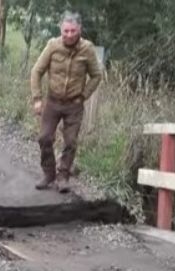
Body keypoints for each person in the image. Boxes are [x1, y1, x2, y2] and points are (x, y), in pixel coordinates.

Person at [30, 11, 103, 193]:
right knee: (44, 138)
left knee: (70, 142)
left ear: (79, 30)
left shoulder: (87, 49)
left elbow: (96, 75)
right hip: (53, 102)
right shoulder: (52, 46)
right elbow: (36, 71)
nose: (69, 35)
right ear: (61, 30)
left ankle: (63, 176)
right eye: (66, 31)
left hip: (74, 105)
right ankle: (49, 174)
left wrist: (84, 95)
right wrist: (37, 98)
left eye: (73, 31)